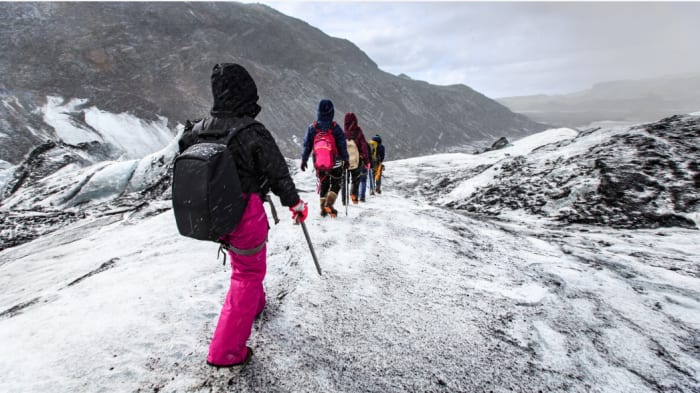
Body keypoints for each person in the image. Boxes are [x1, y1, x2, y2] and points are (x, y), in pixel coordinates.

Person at [179, 63, 308, 368]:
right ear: (247, 93)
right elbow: (277, 174)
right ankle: (225, 353)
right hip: (244, 213)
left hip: (211, 215)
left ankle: (255, 304)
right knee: (247, 274)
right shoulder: (251, 131)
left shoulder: (196, 130)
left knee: (245, 267)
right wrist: (295, 204)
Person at [300, 99, 349, 217]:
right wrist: (346, 159)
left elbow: (307, 145)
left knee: (324, 183)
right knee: (336, 183)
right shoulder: (335, 128)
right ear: (332, 112)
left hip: (319, 162)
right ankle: (329, 203)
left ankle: (323, 210)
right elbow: (342, 145)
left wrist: (304, 159)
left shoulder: (313, 127)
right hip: (335, 162)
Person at [343, 112, 370, 204]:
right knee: (356, 178)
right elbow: (363, 146)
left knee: (344, 177)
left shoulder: (343, 132)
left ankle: (344, 198)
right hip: (356, 160)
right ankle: (354, 195)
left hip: (345, 159)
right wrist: (366, 161)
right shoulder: (358, 131)